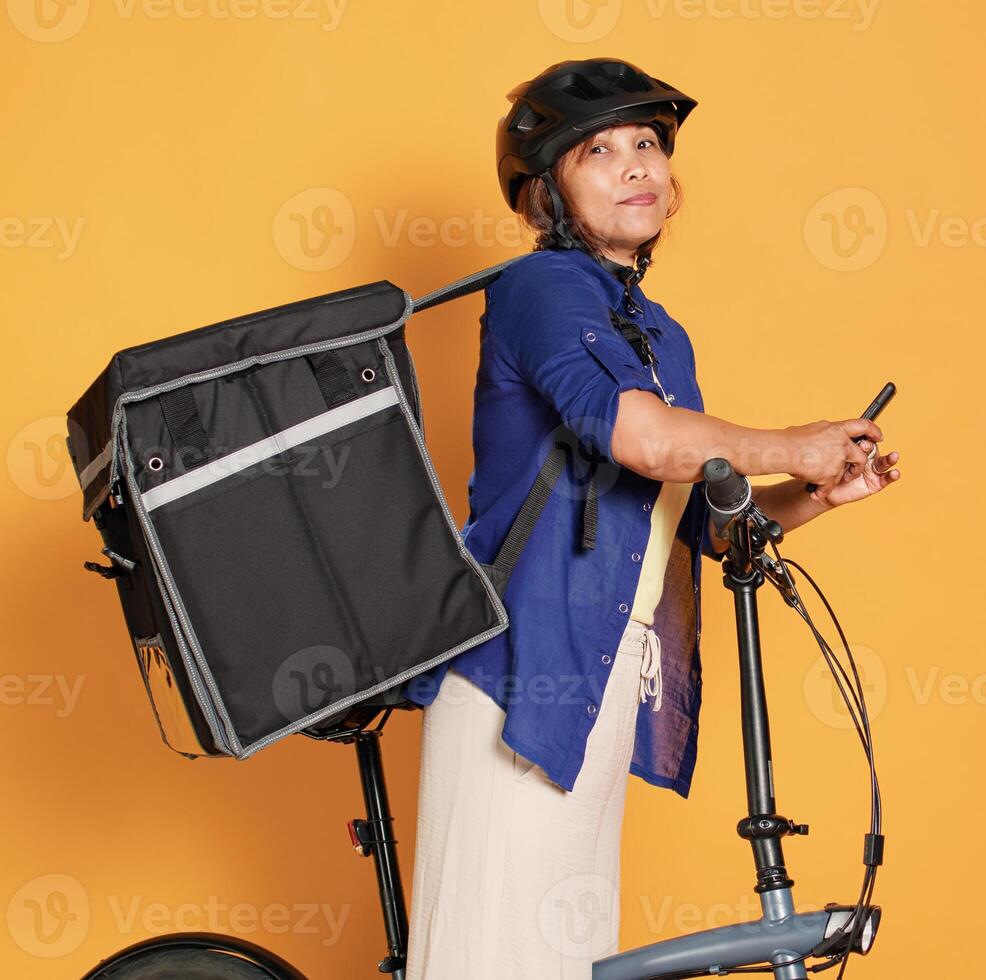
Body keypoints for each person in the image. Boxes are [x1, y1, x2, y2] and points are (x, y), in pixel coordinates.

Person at [400, 57, 903, 979]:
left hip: (601, 682)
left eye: (650, 146)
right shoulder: (541, 289)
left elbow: (697, 523)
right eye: (601, 151)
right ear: (546, 189)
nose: (638, 165)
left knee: (566, 961)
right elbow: (639, 438)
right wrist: (795, 442)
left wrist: (816, 493)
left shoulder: (660, 333)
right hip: (523, 677)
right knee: (495, 961)